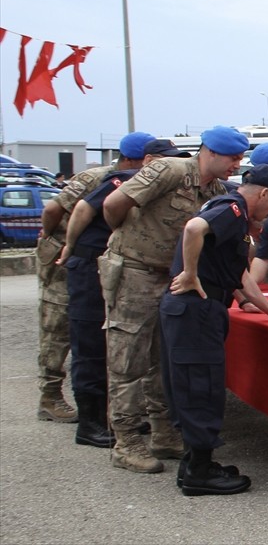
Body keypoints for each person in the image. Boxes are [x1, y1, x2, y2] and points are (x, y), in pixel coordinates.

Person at [101, 126, 246, 473]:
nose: (237, 165)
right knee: (128, 358)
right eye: (233, 157)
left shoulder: (216, 191)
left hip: (173, 279)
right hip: (135, 271)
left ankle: (164, 433)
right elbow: (113, 204)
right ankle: (126, 442)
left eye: (240, 158)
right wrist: (128, 239)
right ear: (210, 152)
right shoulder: (170, 170)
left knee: (163, 360)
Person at [161, 164, 268, 496]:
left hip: (197, 309)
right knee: (201, 386)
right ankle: (199, 472)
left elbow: (241, 275)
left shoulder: (229, 211)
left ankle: (194, 463)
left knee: (194, 385)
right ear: (263, 193)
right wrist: (190, 273)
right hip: (196, 309)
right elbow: (193, 228)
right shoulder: (232, 209)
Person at [56, 138, 185, 448]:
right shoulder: (126, 180)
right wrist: (70, 246)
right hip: (93, 263)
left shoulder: (166, 186)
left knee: (137, 350)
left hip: (123, 268)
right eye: (166, 159)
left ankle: (124, 420)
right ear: (147, 160)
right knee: (93, 343)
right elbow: (84, 208)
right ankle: (90, 423)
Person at [34, 132, 154, 426]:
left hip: (98, 261)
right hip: (67, 258)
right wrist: (52, 236)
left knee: (96, 332)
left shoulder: (136, 181)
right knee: (59, 327)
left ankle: (105, 405)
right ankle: (50, 396)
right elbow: (52, 209)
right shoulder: (97, 177)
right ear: (134, 160)